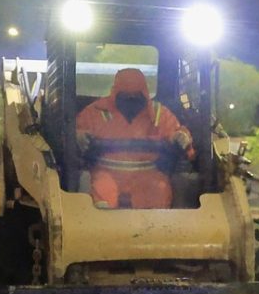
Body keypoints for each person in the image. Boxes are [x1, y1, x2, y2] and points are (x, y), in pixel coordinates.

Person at [76, 67, 194, 209]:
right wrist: (79, 136)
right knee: (101, 197)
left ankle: (157, 230)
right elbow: (75, 133)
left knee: (158, 193)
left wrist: (182, 136)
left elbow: (178, 133)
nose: (131, 102)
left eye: (135, 97)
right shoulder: (95, 112)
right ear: (115, 94)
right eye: (126, 97)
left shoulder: (159, 114)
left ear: (144, 94)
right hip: (105, 173)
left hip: (149, 175)